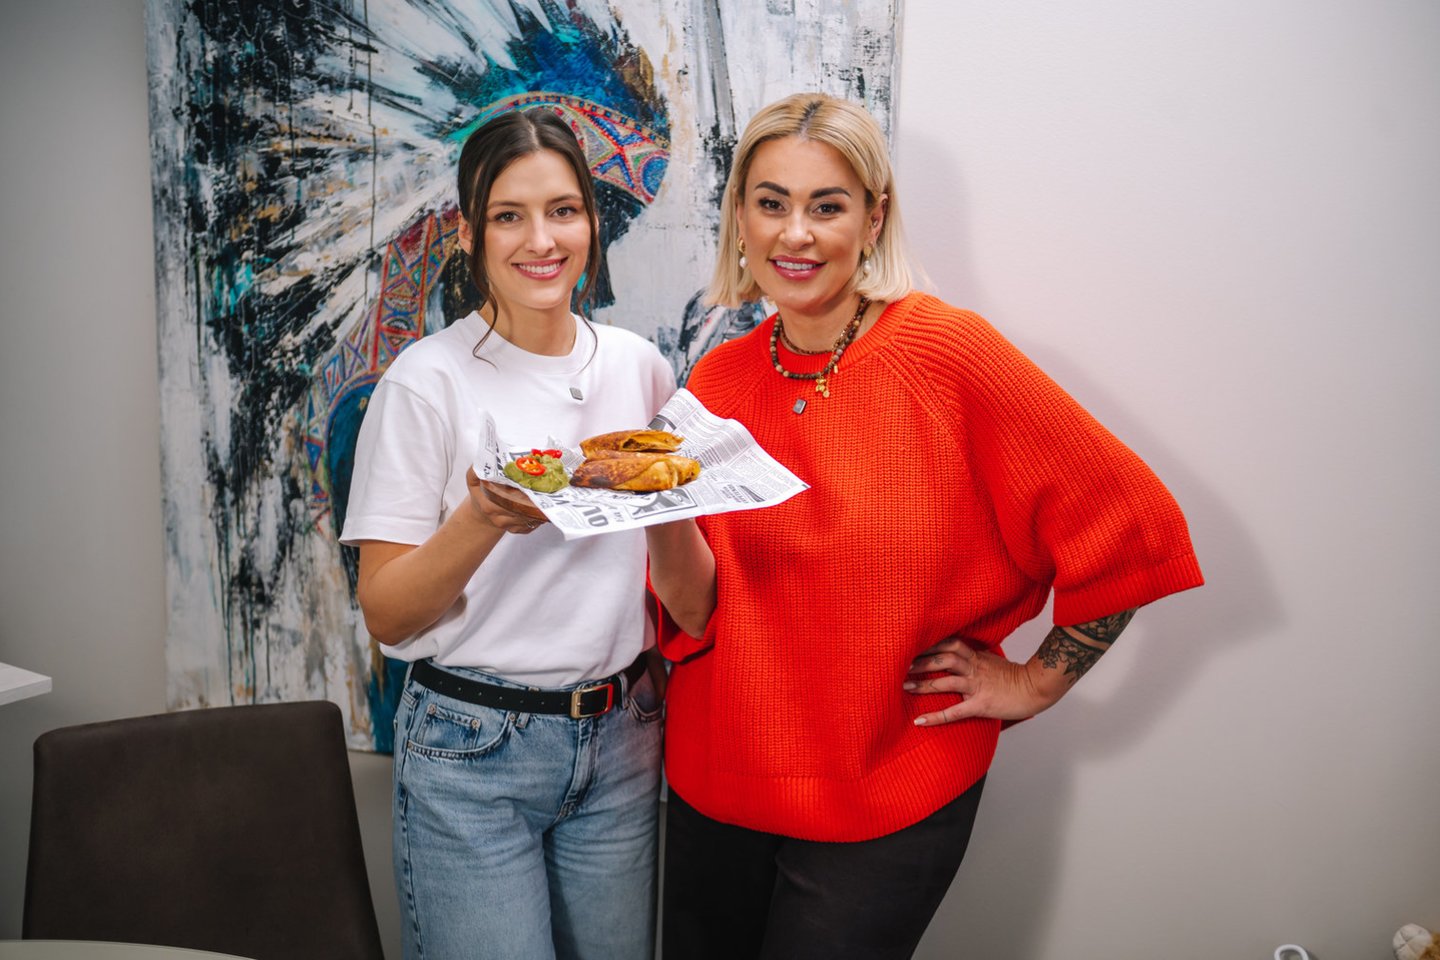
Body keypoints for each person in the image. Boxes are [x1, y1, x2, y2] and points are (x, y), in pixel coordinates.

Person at [645, 92, 1205, 960]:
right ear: (741, 219)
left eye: (827, 206)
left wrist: (1035, 683)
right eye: (771, 202)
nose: (796, 233)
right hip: (716, 781)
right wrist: (652, 511)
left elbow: (1131, 522)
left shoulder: (947, 354)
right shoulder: (715, 381)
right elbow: (697, 612)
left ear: (873, 219)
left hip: (885, 790)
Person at [341, 108, 674, 960]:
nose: (541, 240)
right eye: (508, 216)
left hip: (624, 737)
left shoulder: (640, 368)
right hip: (472, 750)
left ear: (592, 222)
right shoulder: (425, 382)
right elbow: (387, 614)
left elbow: (688, 596)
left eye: (563, 210)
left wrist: (671, 495)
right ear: (468, 234)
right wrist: (483, 518)